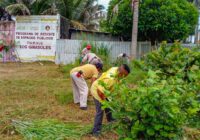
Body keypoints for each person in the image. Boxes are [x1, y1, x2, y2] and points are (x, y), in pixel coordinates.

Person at [90, 64, 130, 135]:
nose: (124, 77)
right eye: (123, 75)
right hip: (97, 91)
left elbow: (116, 85)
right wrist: (104, 101)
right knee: (100, 110)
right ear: (120, 72)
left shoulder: (116, 69)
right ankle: (96, 131)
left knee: (109, 105)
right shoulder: (110, 79)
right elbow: (100, 91)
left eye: (126, 76)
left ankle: (110, 119)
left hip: (105, 91)